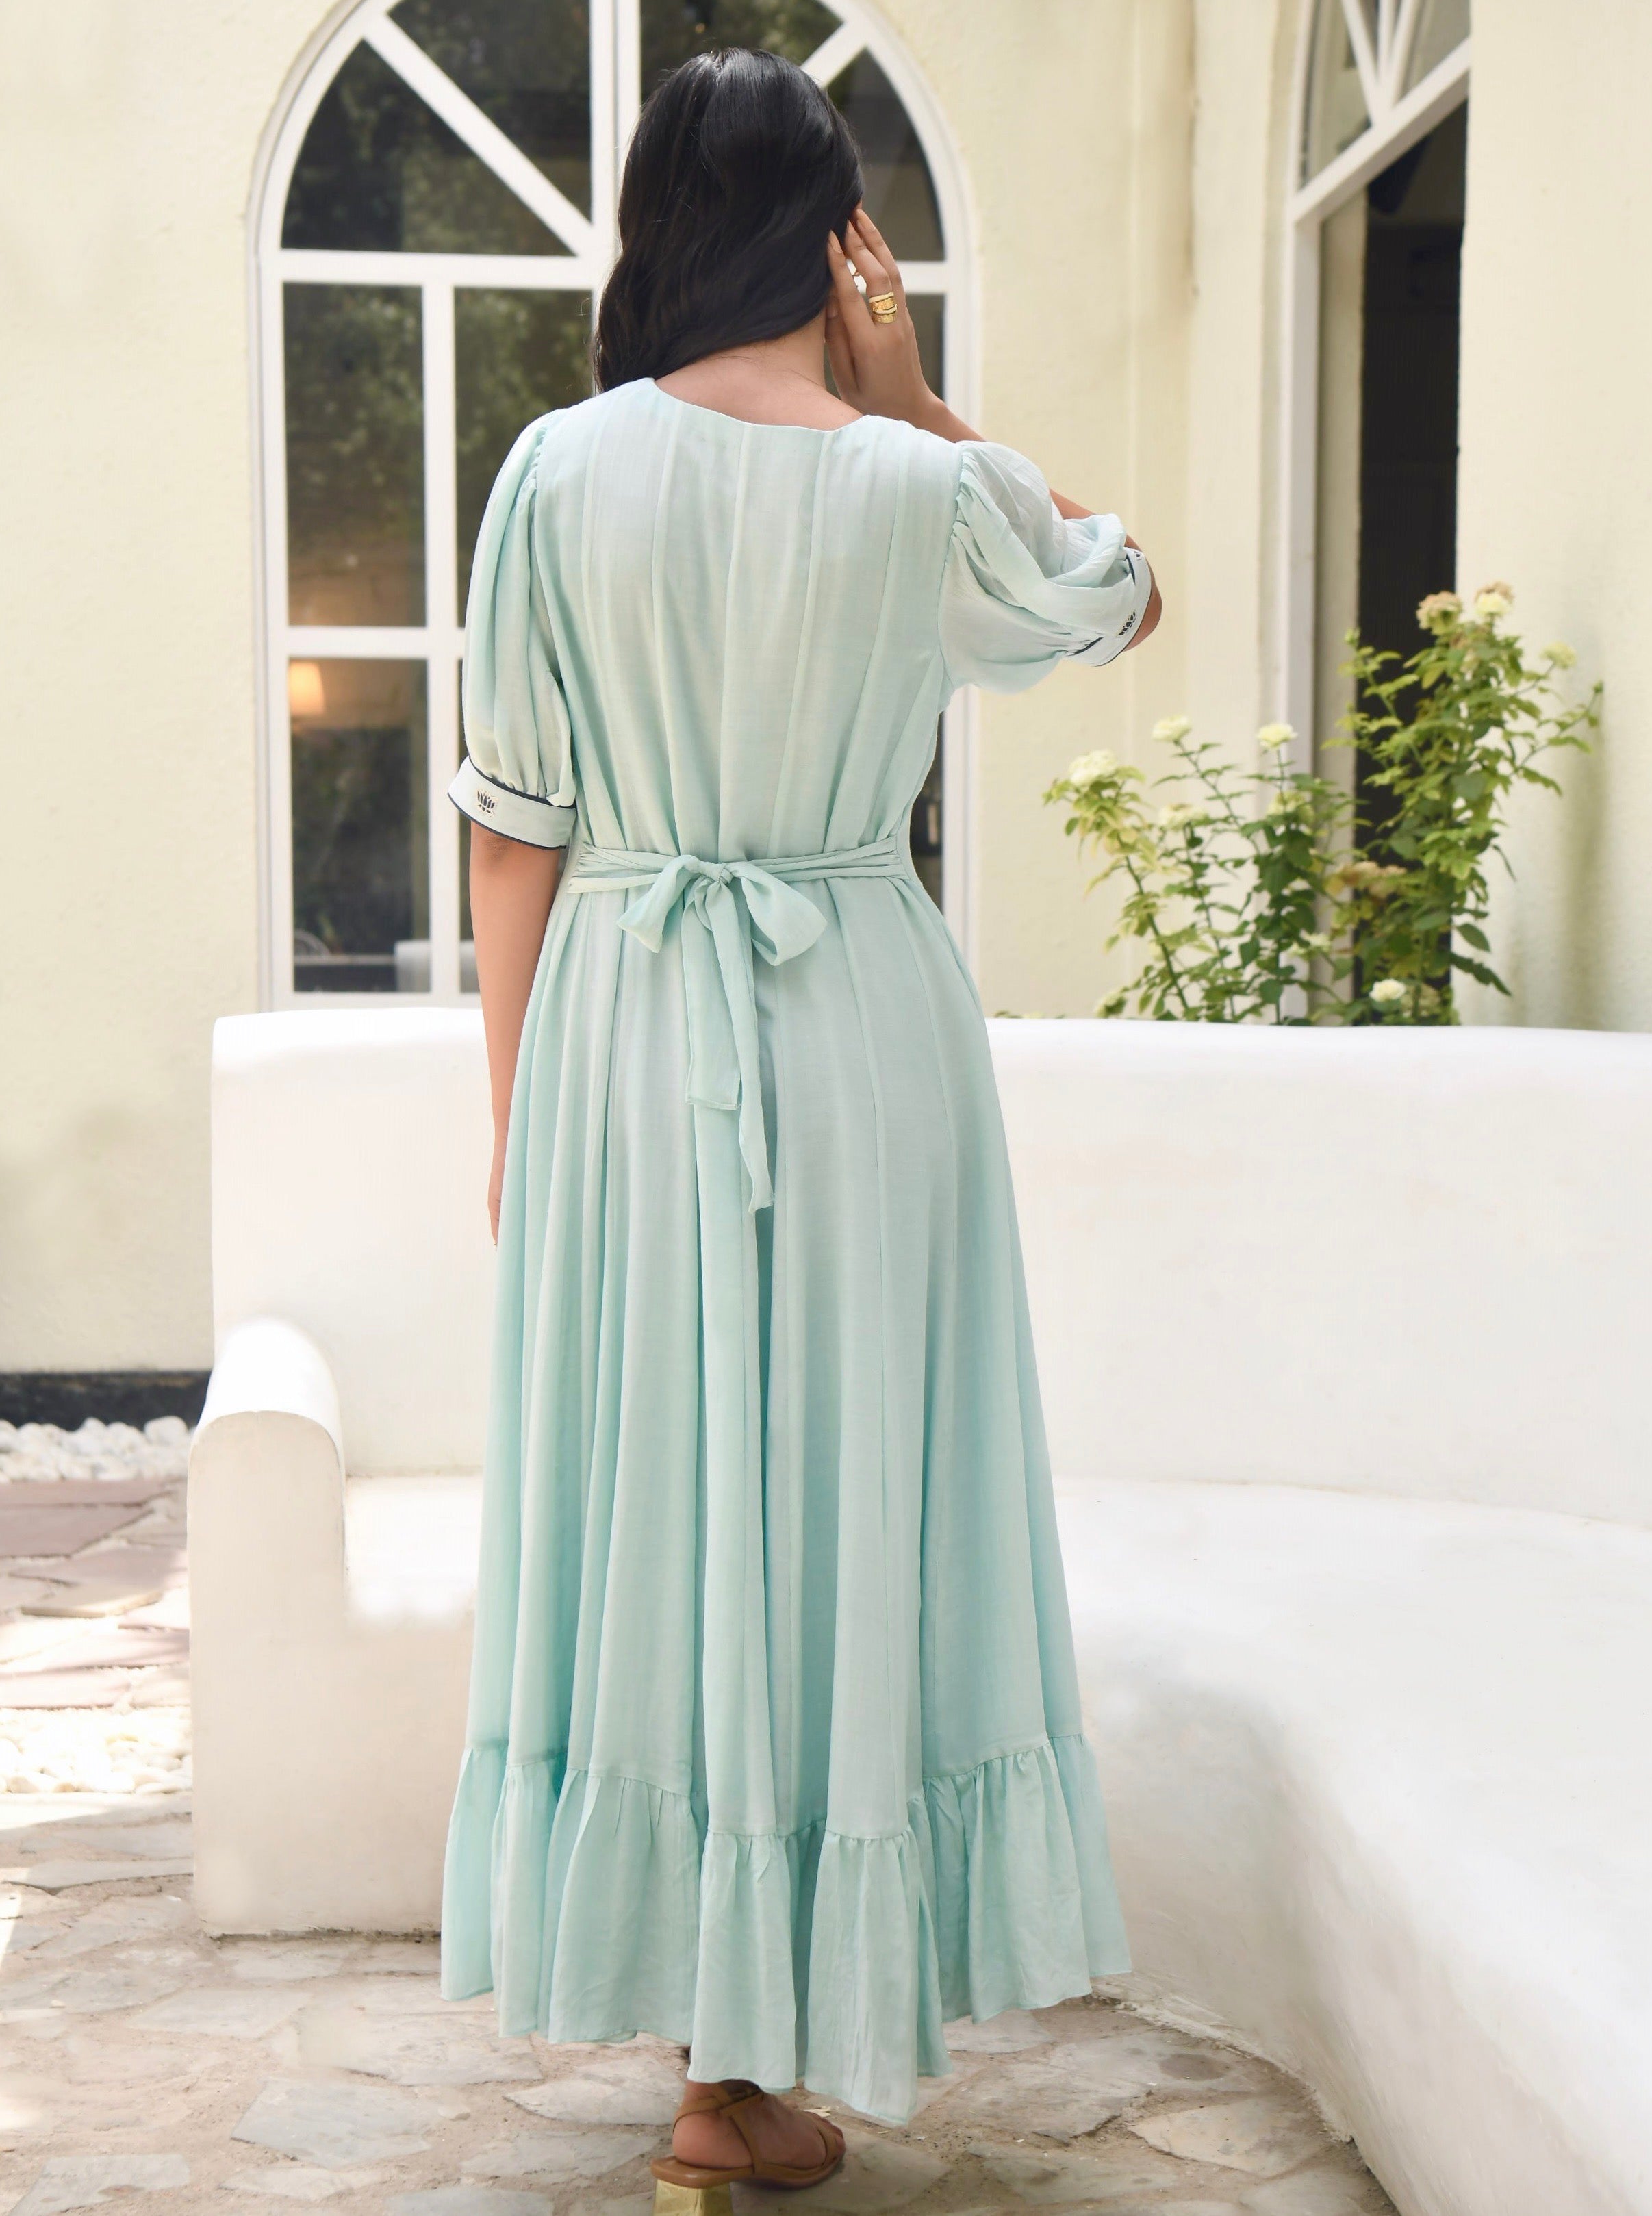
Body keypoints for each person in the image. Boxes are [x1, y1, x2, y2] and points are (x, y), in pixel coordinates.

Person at [438, 44, 1161, 2191]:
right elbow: (1117, 592)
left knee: (664, 1509)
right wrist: (918, 399)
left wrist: (520, 1115)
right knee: (848, 1498)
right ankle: (772, 2040)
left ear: (652, 222)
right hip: (861, 1020)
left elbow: (514, 830)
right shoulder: (915, 490)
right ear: (842, 236)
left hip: (624, 1023)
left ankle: (714, 2058)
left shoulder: (554, 475)